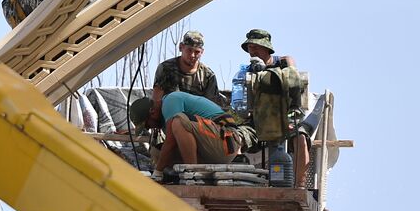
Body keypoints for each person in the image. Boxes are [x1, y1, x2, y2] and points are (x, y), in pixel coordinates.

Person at [236, 29, 309, 188]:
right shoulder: (246, 70)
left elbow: (295, 81)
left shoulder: (282, 62)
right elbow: (241, 102)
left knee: (300, 137)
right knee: (234, 138)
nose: (252, 51)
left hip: (285, 117)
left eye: (256, 46)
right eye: (250, 47)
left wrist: (285, 68)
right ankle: (238, 181)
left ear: (266, 47)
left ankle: (299, 185)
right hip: (257, 120)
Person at [130, 92, 237, 176]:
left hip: (226, 142)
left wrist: (158, 171)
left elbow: (170, 142)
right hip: (209, 150)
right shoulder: (164, 119)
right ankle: (190, 173)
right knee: (156, 151)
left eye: (148, 125)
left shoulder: (170, 100)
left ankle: (191, 173)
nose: (150, 128)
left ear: (152, 112)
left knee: (178, 121)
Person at [148, 30, 227, 129]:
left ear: (202, 52)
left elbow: (211, 107)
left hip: (197, 126)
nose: (193, 55)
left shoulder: (207, 75)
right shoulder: (166, 68)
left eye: (197, 52)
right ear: (181, 47)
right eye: (189, 50)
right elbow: (157, 100)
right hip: (168, 120)